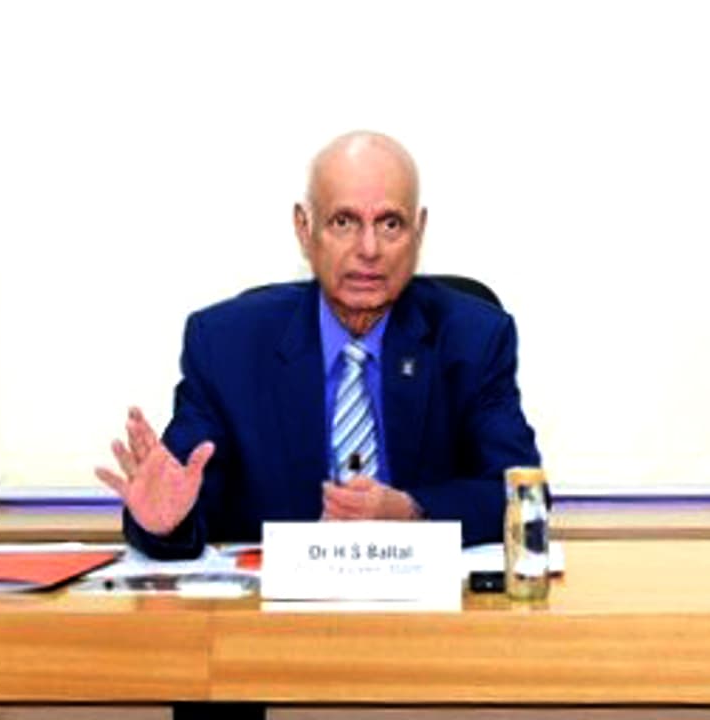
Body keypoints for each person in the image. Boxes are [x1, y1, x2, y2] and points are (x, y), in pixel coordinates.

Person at [97, 131, 541, 559]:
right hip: (275, 607)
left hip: (426, 605)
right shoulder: (226, 345)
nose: (369, 249)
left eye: (390, 224)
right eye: (343, 222)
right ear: (304, 228)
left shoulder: (474, 337)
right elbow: (181, 491)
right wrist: (167, 523)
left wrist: (412, 512)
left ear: (419, 232)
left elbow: (519, 493)